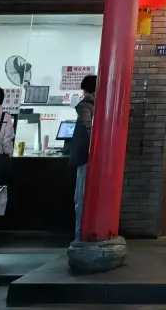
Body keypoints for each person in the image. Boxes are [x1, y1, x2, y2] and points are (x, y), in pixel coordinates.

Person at [69, 74, 97, 240]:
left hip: (87, 157)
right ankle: (83, 234)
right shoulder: (90, 105)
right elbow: (87, 129)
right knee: (84, 196)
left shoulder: (87, 105)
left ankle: (82, 234)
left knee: (82, 195)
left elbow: (85, 129)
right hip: (89, 157)